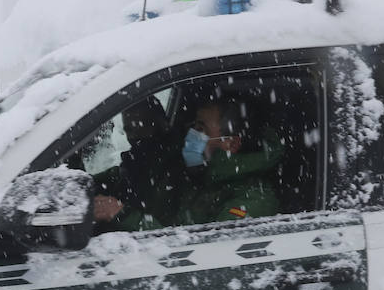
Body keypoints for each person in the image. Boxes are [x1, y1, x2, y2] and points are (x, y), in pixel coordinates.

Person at [172, 100, 283, 226]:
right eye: (193, 127)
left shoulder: (254, 200)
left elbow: (213, 243)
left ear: (232, 144)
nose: (191, 135)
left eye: (201, 129)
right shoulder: (205, 183)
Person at [91, 98, 188, 232]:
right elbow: (96, 182)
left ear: (161, 124)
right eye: (129, 129)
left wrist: (120, 212)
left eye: (140, 126)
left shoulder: (175, 172)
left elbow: (167, 236)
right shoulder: (134, 164)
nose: (133, 137)